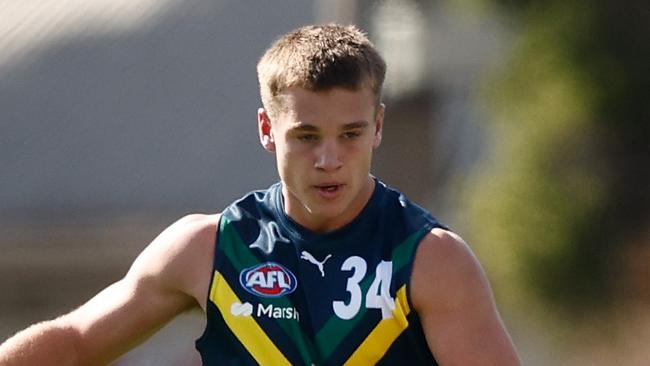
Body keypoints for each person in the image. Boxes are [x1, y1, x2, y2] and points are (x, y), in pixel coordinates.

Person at [0, 24, 520, 365]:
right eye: (306, 136)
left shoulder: (431, 260)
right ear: (267, 130)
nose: (329, 159)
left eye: (351, 134)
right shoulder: (210, 248)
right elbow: (72, 344)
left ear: (378, 126)